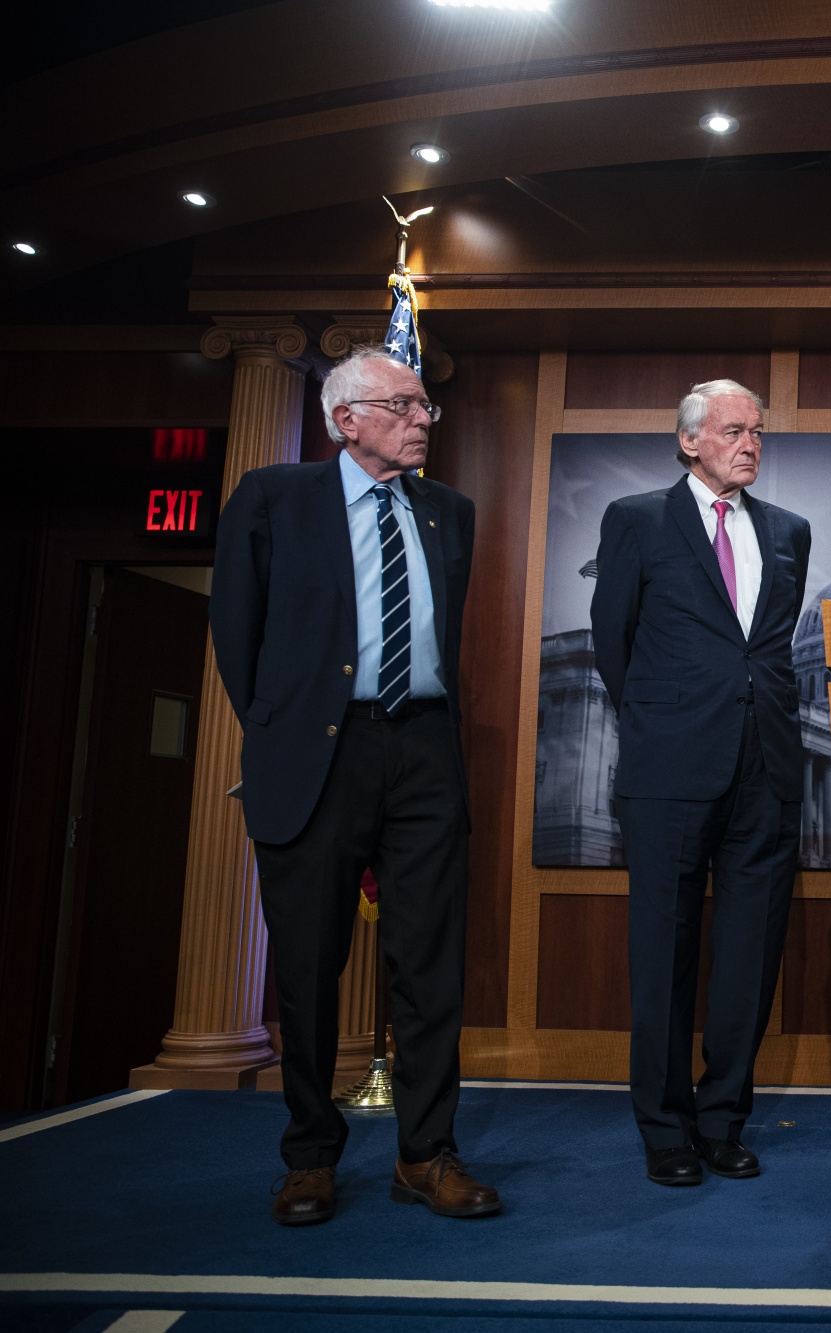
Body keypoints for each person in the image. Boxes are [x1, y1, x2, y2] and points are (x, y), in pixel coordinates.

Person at [210, 345, 497, 1226]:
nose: (423, 421)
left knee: (430, 966)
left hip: (422, 754)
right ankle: (309, 1156)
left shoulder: (450, 511)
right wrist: (278, 739)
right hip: (317, 756)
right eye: (406, 407)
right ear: (347, 418)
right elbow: (238, 632)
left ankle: (426, 1152)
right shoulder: (272, 498)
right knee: (304, 963)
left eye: (424, 409)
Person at [590, 379, 812, 1188]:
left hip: (768, 770)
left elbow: (770, 650)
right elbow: (612, 643)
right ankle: (665, 1129)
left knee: (749, 958)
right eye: (731, 430)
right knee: (663, 955)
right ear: (689, 441)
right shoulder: (639, 519)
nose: (749, 443)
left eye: (757, 431)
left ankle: (723, 1121)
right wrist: (664, 722)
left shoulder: (792, 532)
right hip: (669, 771)